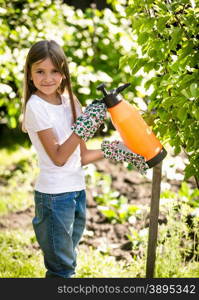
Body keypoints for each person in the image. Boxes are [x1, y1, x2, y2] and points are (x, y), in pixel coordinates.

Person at [22, 40, 148, 278]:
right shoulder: (35, 107)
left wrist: (112, 149)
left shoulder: (71, 102)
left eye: (54, 71)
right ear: (29, 74)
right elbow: (59, 158)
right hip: (53, 199)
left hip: (76, 193)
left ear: (64, 74)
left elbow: (80, 156)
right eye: (40, 71)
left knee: (68, 262)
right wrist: (82, 128)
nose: (47, 78)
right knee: (62, 270)